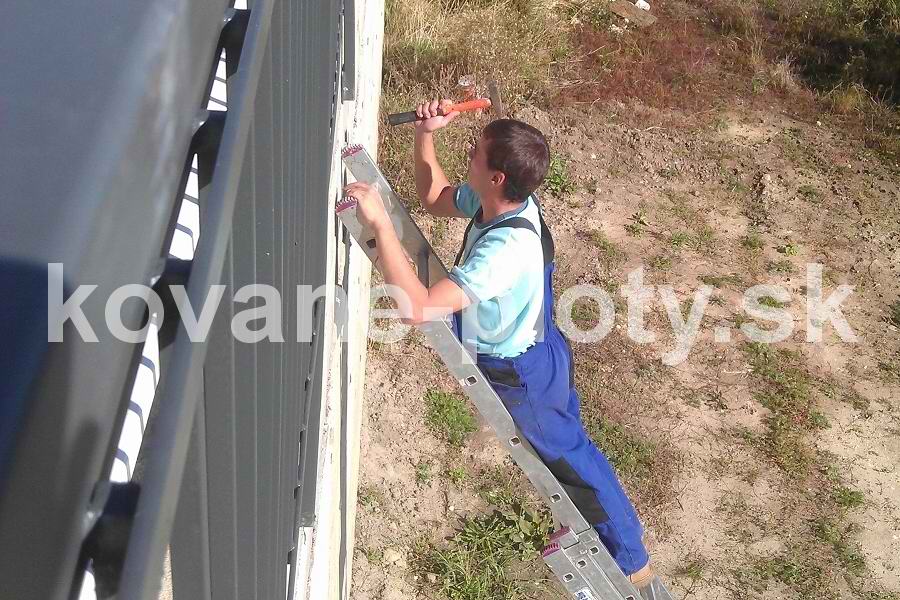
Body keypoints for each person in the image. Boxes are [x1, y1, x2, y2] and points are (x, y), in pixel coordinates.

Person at [342, 99, 654, 587]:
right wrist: (426, 134)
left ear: (497, 177)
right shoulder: (498, 202)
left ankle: (632, 563)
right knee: (571, 444)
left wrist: (381, 226)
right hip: (540, 346)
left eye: (476, 151)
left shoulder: (504, 250)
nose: (469, 151)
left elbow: (418, 309)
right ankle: (627, 552)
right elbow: (435, 197)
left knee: (571, 460)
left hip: (522, 373)